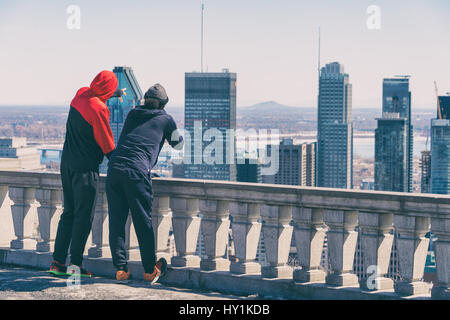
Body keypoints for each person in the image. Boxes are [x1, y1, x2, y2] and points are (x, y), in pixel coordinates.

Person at [106, 83, 183, 284]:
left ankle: (121, 270)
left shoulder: (132, 114)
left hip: (114, 169)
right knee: (143, 222)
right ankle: (150, 270)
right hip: (136, 172)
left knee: (116, 221)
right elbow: (178, 144)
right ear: (163, 103)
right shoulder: (166, 119)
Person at [48, 70, 121, 278]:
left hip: (67, 165)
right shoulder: (99, 109)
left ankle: (57, 262)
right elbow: (107, 145)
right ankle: (75, 266)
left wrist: (113, 94)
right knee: (83, 217)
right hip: (85, 169)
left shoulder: (80, 94)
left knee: (68, 213)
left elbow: (96, 93)